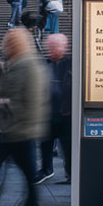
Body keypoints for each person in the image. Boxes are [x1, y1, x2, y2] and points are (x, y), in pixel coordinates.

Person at [0, 28, 49, 206]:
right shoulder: (21, 63)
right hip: (20, 128)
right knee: (28, 172)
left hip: (18, 128)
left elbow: (23, 99)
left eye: (7, 43)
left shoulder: (25, 65)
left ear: (13, 44)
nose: (3, 47)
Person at [36, 33, 72, 184]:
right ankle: (46, 169)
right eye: (50, 47)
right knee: (46, 143)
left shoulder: (70, 64)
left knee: (67, 146)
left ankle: (71, 173)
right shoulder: (45, 64)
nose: (51, 49)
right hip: (49, 111)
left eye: (55, 46)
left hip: (66, 112)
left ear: (63, 47)